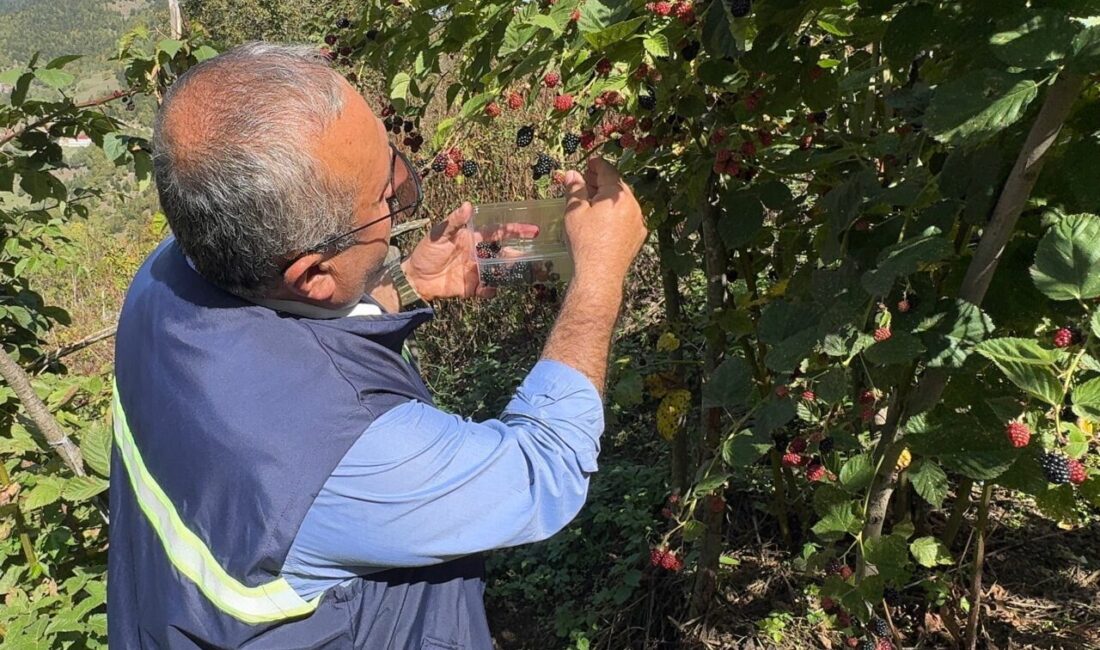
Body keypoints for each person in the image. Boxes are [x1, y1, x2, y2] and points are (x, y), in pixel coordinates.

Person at [107, 43, 647, 648]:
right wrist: (600, 273)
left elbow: (281, 346)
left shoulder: (165, 280)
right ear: (313, 274)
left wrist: (405, 286)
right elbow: (544, 468)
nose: (400, 199)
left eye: (391, 163)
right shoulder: (343, 452)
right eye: (386, 200)